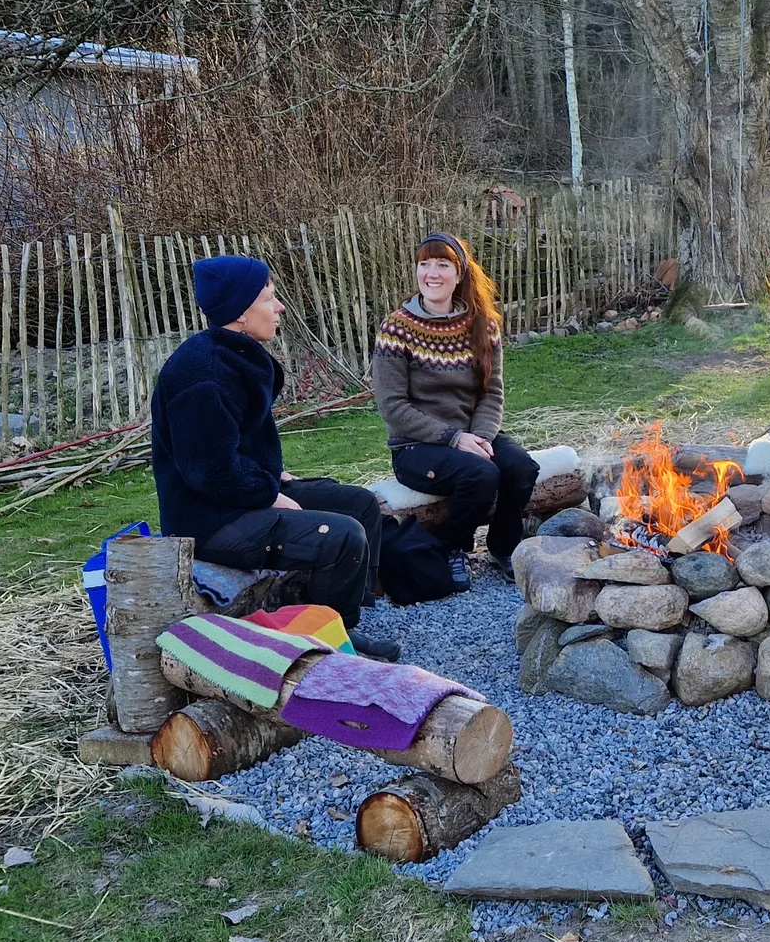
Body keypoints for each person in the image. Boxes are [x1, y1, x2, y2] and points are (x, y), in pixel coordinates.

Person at [151, 255, 397, 660]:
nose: (280, 307)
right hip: (209, 521)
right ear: (240, 312)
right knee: (341, 535)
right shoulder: (204, 376)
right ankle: (325, 645)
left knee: (361, 505)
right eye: (269, 298)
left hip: (236, 497)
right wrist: (268, 494)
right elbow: (210, 472)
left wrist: (272, 475)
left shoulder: (233, 353)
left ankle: (342, 622)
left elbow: (229, 445)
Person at [372, 232, 538, 589]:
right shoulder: (396, 329)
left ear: (459, 273)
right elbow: (392, 407)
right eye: (424, 264)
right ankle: (451, 548)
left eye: (443, 264)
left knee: (521, 467)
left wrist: (480, 437)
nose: (432, 273)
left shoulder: (483, 325)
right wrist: (454, 438)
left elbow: (491, 392)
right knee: (481, 475)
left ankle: (503, 546)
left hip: (472, 435)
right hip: (416, 446)